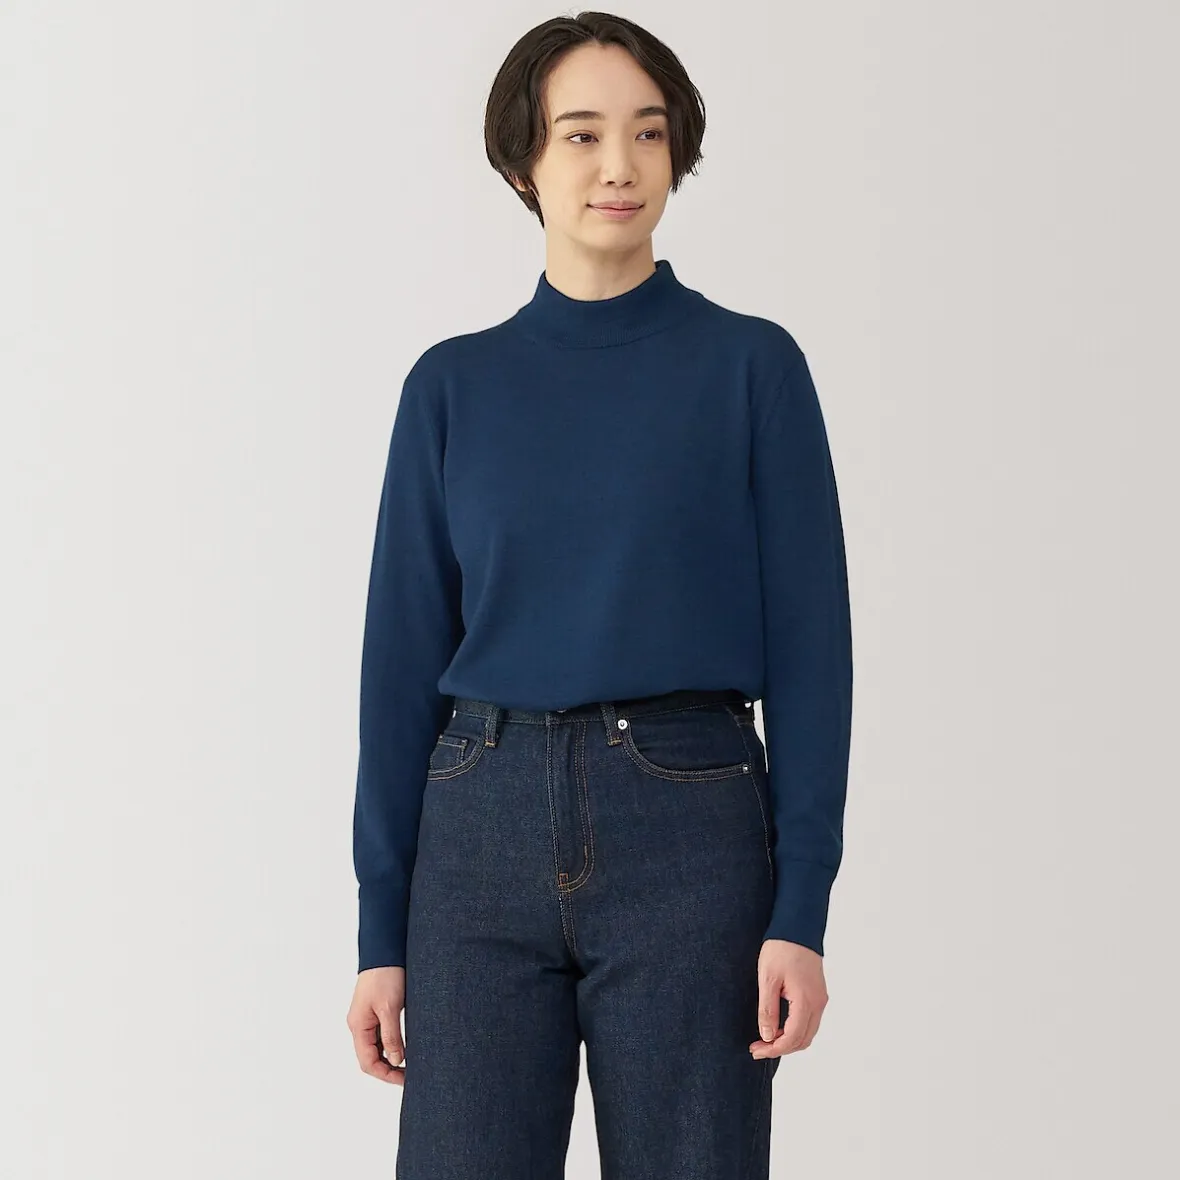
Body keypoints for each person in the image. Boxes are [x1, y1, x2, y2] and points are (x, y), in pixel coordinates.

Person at [345, 11, 853, 1178]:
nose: (618, 164)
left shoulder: (751, 368)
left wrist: (800, 908)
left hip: (690, 828)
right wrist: (380, 927)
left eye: (648, 132)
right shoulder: (450, 388)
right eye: (580, 134)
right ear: (522, 160)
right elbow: (396, 668)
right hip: (476, 830)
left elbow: (814, 655)